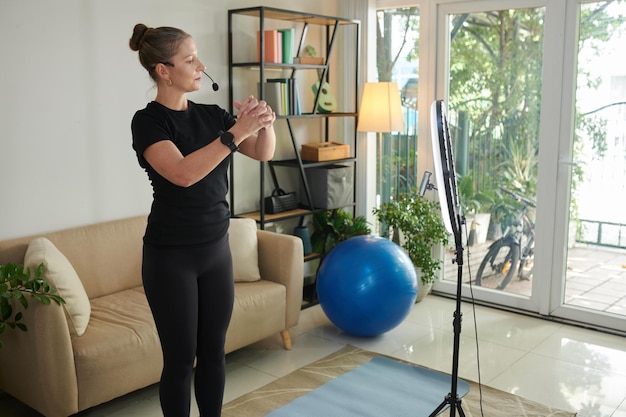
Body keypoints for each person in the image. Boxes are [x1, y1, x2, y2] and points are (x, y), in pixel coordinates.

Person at [128, 23, 276, 417]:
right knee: (180, 361)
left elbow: (262, 153)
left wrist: (262, 122)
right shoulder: (149, 122)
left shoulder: (213, 115)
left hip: (216, 251)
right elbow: (182, 173)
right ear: (164, 70)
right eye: (190, 59)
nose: (201, 66)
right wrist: (235, 133)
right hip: (170, 258)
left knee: (214, 353)